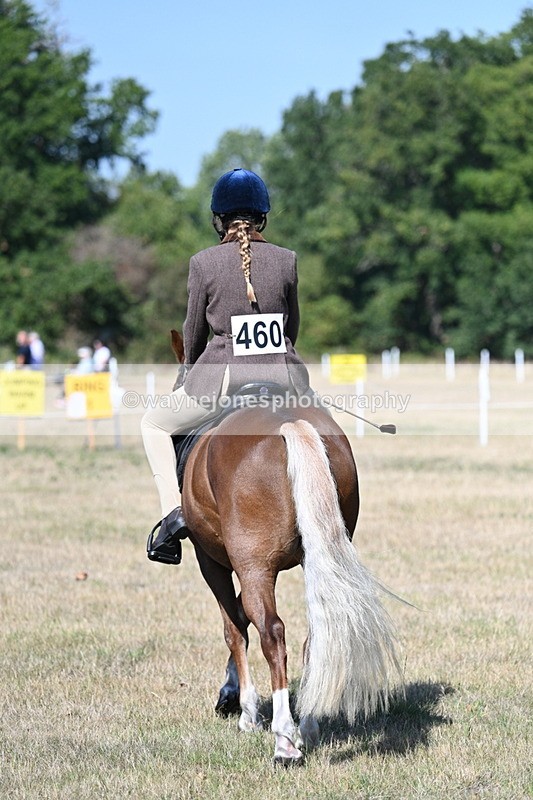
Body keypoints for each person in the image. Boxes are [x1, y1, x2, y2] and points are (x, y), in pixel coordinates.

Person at [141, 167, 311, 565]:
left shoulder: (203, 263)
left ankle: (172, 515)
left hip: (223, 379)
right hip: (283, 376)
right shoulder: (286, 260)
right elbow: (292, 328)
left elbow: (193, 333)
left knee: (153, 424)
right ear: (262, 217)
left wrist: (188, 375)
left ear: (218, 219)